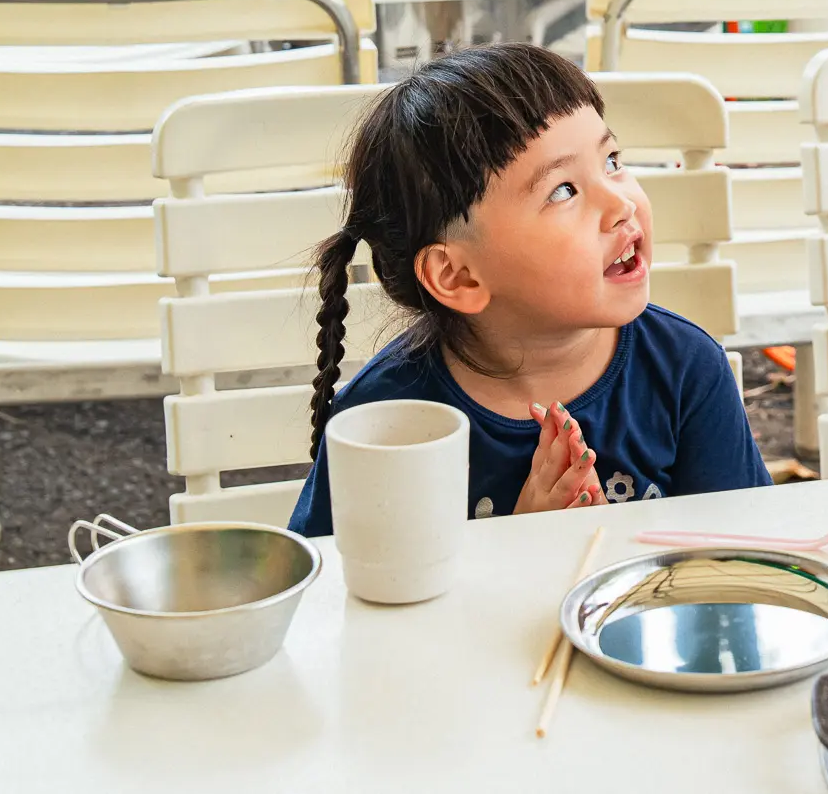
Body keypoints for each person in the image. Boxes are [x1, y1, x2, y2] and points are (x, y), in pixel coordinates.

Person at [288, 44, 769, 536]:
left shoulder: (686, 369)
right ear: (458, 276)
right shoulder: (386, 423)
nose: (620, 203)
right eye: (563, 190)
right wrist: (520, 542)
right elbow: (335, 599)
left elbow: (745, 558)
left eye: (611, 161)